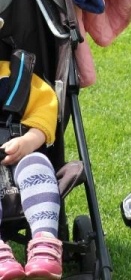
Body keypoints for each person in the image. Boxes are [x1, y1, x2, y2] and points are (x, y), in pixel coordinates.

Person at [0, 62, 64, 280]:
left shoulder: (18, 76)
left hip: (20, 154)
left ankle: (45, 243)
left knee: (37, 164)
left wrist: (28, 141)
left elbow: (45, 112)